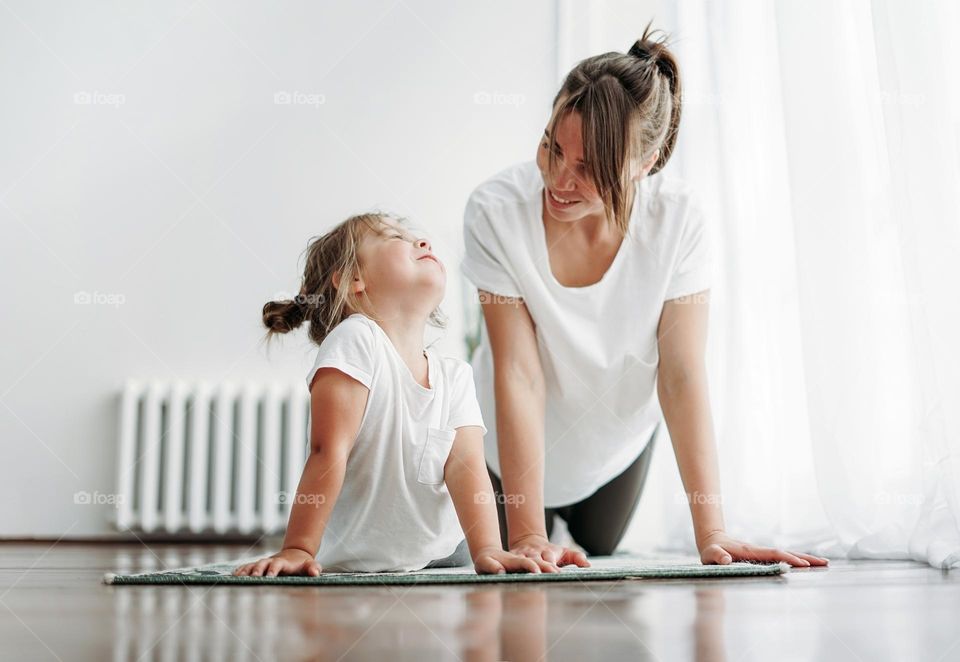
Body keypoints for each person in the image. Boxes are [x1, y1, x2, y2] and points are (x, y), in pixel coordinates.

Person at [461, 24, 829, 570]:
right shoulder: (496, 210)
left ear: (648, 161)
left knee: (602, 563)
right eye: (550, 146)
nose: (558, 178)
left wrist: (714, 532)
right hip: (501, 457)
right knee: (493, 561)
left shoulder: (678, 222)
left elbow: (680, 375)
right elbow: (518, 371)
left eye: (588, 168)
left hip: (614, 451)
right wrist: (528, 531)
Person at [234, 213, 545, 576]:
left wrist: (489, 548)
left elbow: (468, 467)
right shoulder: (355, 341)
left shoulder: (455, 374)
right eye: (395, 237)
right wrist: (298, 548)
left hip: (444, 553)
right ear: (353, 279)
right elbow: (326, 451)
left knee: (462, 545)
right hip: (358, 556)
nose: (423, 242)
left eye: (416, 236)